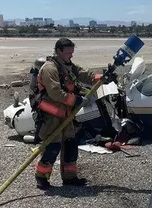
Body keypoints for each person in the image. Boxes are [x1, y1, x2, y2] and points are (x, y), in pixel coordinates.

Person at [33, 37, 102, 190]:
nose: (71, 55)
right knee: (52, 146)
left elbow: (86, 75)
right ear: (58, 51)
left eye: (72, 52)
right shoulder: (50, 68)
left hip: (66, 115)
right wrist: (76, 100)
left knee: (70, 145)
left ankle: (70, 178)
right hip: (51, 116)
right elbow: (55, 92)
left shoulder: (68, 66)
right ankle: (42, 177)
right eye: (68, 52)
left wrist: (102, 77)